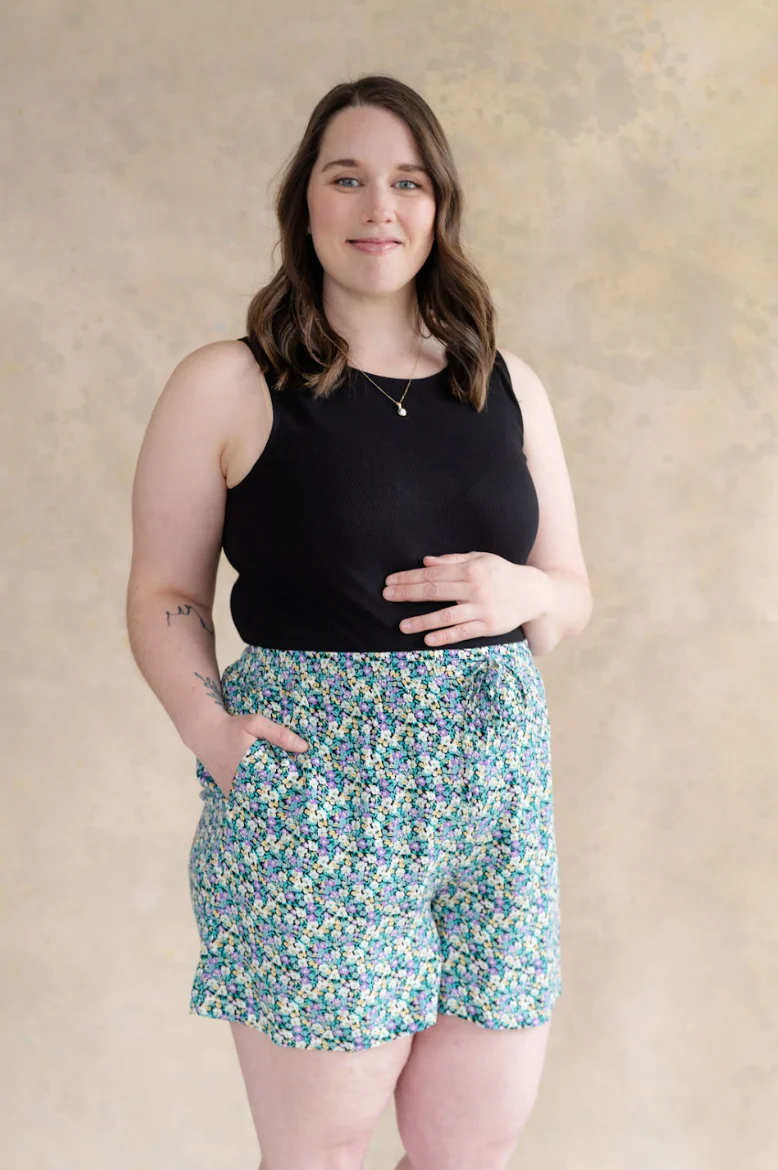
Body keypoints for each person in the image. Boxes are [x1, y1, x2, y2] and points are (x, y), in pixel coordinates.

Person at [127, 74, 592, 1170]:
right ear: (305, 203)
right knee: (322, 1151)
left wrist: (525, 594)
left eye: (407, 182)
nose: (378, 207)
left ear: (438, 207)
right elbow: (165, 594)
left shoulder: (505, 386)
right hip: (318, 801)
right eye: (347, 178)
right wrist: (211, 733)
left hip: (497, 806)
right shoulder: (229, 383)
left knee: (471, 1148)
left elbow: (569, 590)